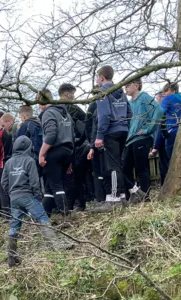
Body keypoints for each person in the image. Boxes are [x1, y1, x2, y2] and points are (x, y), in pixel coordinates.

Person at [2, 137, 73, 267]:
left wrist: (12, 193)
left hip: (14, 198)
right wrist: (37, 195)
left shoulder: (8, 163)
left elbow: (4, 182)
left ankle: (11, 256)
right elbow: (35, 181)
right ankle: (57, 246)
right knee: (42, 217)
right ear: (28, 148)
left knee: (15, 226)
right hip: (28, 196)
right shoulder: (29, 161)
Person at [91, 65, 133, 212]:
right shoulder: (121, 91)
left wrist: (99, 135)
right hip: (123, 130)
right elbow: (129, 111)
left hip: (110, 132)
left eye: (97, 77)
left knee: (112, 166)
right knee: (118, 164)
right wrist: (123, 124)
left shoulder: (103, 92)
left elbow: (104, 115)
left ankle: (114, 199)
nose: (97, 80)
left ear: (102, 78)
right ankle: (121, 196)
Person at [123, 78, 163, 202]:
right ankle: (133, 194)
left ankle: (145, 196)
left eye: (128, 85)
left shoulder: (145, 98)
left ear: (136, 85)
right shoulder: (129, 103)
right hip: (130, 140)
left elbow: (159, 111)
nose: (125, 88)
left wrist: (147, 130)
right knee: (124, 168)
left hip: (142, 138)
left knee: (142, 168)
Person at [39, 90, 74, 216]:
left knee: (56, 185)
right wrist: (70, 160)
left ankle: (66, 215)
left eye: (39, 103)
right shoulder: (66, 114)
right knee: (49, 186)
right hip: (67, 151)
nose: (38, 107)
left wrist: (41, 154)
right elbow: (72, 136)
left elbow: (51, 134)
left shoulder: (48, 113)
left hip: (54, 152)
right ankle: (45, 215)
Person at [58, 83, 89, 211]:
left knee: (68, 177)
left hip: (61, 147)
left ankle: (71, 204)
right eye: (73, 93)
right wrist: (82, 140)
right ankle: (79, 203)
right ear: (67, 94)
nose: (74, 96)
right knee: (76, 176)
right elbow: (87, 121)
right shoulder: (72, 108)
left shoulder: (53, 108)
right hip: (74, 146)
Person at [150, 81, 181, 183]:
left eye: (166, 91)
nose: (164, 94)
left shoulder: (168, 99)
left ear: (170, 89)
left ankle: (173, 184)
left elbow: (160, 114)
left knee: (171, 162)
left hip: (171, 131)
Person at [0, 112, 14, 213]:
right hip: (13, 162)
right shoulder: (12, 132)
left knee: (2, 189)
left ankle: (7, 214)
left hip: (1, 164)